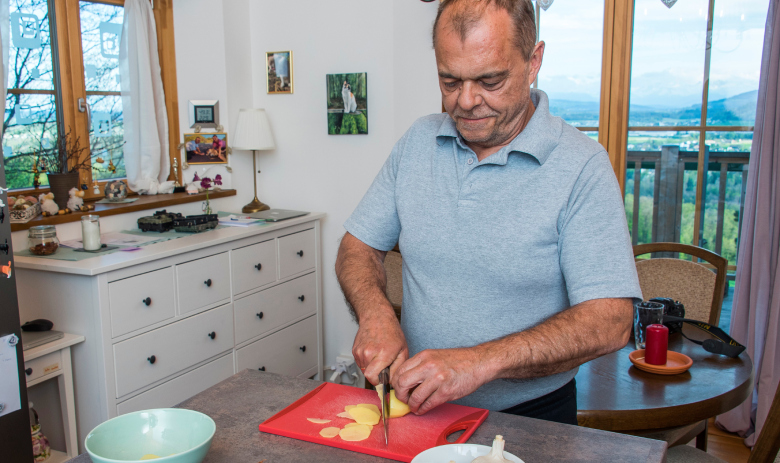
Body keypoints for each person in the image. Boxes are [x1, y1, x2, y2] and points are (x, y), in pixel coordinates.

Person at [335, 0, 643, 425]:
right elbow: (357, 246)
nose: (465, 101)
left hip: (531, 418)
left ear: (533, 61)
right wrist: (375, 313)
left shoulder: (581, 165)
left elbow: (611, 319)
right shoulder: (417, 143)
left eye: (490, 80)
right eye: (449, 80)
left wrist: (477, 363)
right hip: (416, 412)